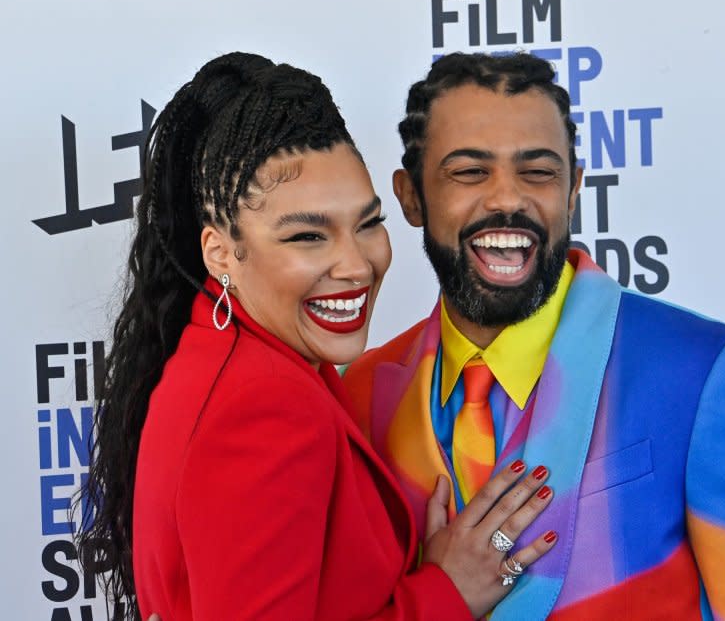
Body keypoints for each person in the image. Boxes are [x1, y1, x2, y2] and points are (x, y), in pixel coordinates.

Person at [76, 51, 563, 621]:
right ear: (220, 251)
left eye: (367, 223)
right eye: (308, 236)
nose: (356, 265)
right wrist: (445, 594)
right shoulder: (263, 404)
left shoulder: (235, 349)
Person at [342, 52, 725, 620]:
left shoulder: (706, 372)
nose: (507, 199)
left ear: (574, 189)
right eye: (469, 171)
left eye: (538, 172)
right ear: (410, 195)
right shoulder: (358, 395)